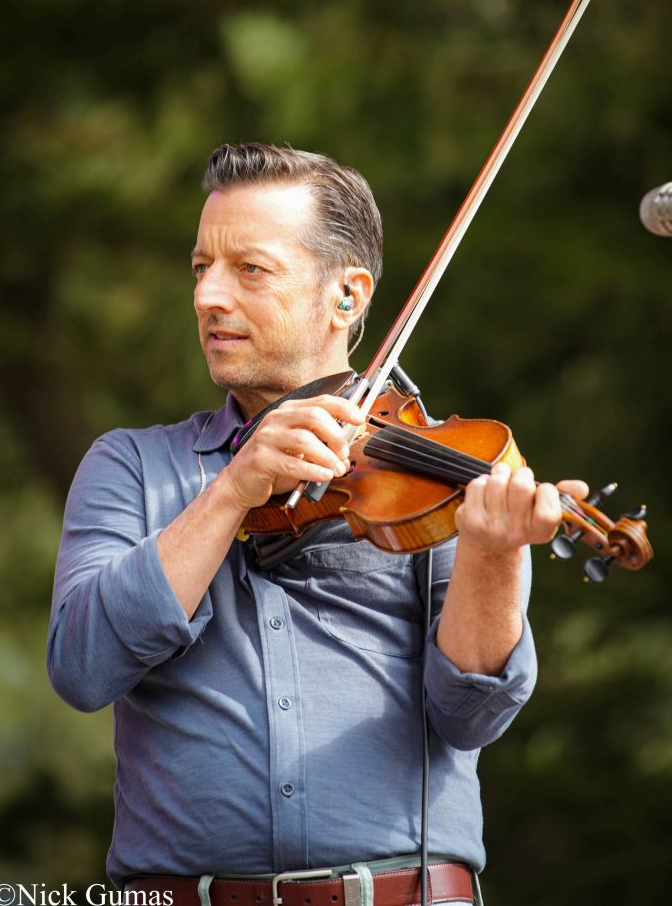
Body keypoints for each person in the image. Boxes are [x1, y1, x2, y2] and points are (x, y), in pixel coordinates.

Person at [48, 142, 586, 906]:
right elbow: (81, 667)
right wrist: (232, 491)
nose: (208, 296)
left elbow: (469, 716)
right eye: (201, 268)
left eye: (249, 269)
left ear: (346, 297)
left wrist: (492, 556)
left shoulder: (437, 473)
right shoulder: (130, 466)